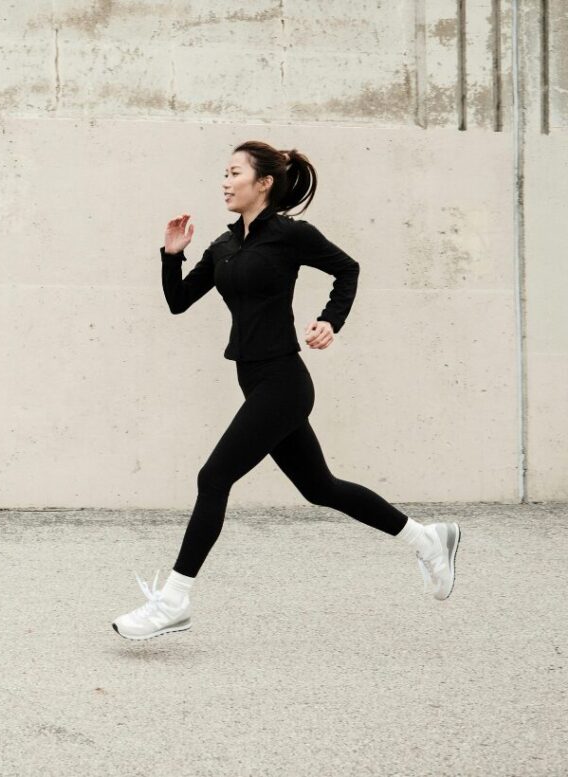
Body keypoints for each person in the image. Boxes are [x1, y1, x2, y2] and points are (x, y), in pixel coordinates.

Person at [112, 140, 461, 641]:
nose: (225, 182)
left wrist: (329, 320)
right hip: (255, 382)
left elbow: (348, 268)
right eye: (224, 173)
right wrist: (172, 255)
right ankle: (428, 539)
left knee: (213, 478)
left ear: (264, 183)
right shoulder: (224, 246)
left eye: (234, 173)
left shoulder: (290, 235)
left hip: (283, 382)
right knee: (321, 488)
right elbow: (178, 301)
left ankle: (173, 600)